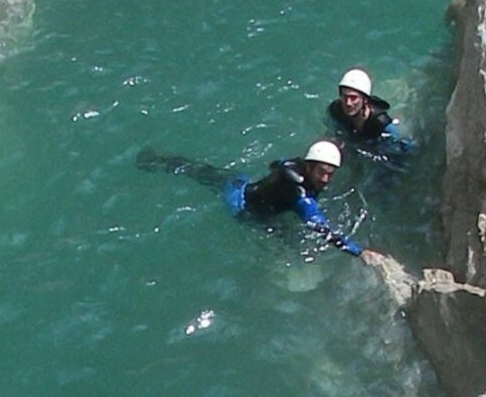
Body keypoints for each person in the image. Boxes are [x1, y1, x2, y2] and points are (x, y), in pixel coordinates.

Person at [139, 141, 378, 260]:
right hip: (243, 209)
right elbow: (324, 230)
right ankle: (155, 162)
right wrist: (359, 251)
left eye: (330, 174)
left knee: (201, 172)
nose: (325, 179)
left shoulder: (293, 164)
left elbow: (275, 164)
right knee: (286, 238)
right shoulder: (301, 198)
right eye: (321, 172)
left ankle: (156, 161)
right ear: (310, 166)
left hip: (242, 184)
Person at [328, 67, 411, 165]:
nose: (348, 103)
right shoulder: (336, 110)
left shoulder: (382, 124)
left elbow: (406, 149)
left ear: (365, 100)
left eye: (353, 98)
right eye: (344, 96)